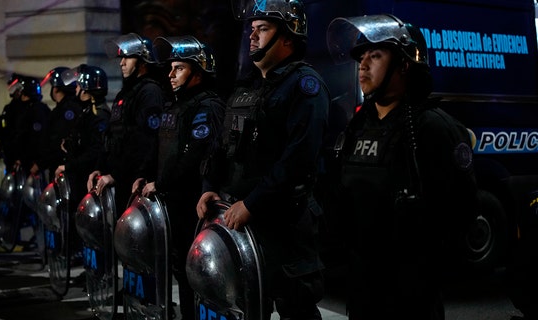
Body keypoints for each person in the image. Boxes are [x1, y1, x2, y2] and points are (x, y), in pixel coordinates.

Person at [325, 14, 479, 319]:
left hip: (410, 297)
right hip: (362, 290)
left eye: (376, 55)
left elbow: (462, 213)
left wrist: (420, 267)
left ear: (405, 64)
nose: (363, 65)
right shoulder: (358, 125)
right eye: (361, 57)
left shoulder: (433, 128)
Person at [196, 0, 329, 318]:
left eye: (263, 29)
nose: (252, 36)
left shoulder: (304, 86)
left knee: (294, 305)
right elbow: (223, 145)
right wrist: (209, 184)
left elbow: (298, 159)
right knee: (244, 305)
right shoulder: (248, 88)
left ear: (288, 37)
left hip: (284, 224)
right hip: (240, 222)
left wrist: (252, 203)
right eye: (251, 29)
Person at [131, 35, 225, 320]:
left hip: (192, 206)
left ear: (198, 72)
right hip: (173, 205)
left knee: (198, 276)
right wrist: (144, 175)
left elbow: (194, 157)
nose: (170, 74)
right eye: (170, 68)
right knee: (182, 274)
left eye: (179, 68)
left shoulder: (207, 106)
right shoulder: (176, 105)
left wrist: (160, 184)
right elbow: (162, 149)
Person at [87, 33, 167, 211]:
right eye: (121, 57)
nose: (121, 62)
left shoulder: (150, 92)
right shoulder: (125, 94)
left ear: (142, 61)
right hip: (117, 179)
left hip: (134, 182)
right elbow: (111, 134)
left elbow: (144, 141)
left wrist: (115, 174)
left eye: (127, 57)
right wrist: (100, 168)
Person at [55, 64, 111, 217]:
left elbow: (96, 150)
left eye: (79, 85)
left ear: (86, 88)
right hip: (80, 178)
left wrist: (69, 166)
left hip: (87, 179)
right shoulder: (87, 111)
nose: (76, 89)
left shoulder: (99, 115)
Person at [39, 66, 82, 182]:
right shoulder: (74, 107)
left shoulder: (64, 111)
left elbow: (55, 141)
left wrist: (42, 162)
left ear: (56, 89)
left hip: (62, 169)